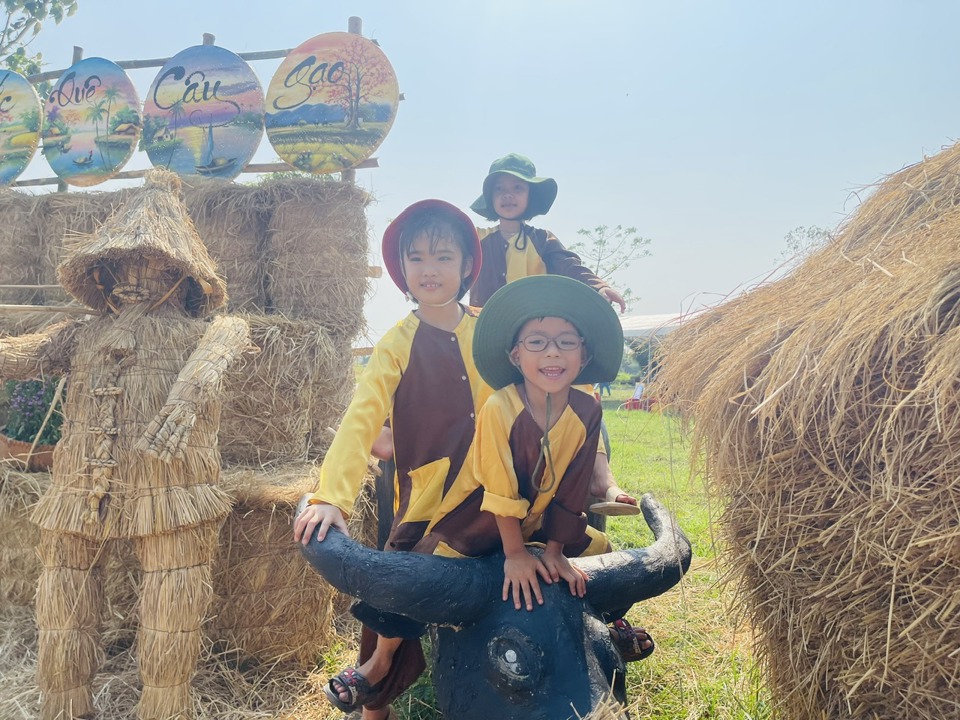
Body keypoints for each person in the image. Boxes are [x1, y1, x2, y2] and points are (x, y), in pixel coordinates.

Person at [293, 200, 489, 720]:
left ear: (467, 265)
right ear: (401, 269)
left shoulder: (492, 330)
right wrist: (332, 495)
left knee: (572, 547)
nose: (430, 269)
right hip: (430, 493)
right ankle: (377, 682)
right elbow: (362, 417)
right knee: (400, 567)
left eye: (443, 257)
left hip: (500, 486)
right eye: (417, 258)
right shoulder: (396, 343)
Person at [415, 275, 653, 660]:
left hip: (542, 522)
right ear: (516, 356)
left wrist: (556, 550)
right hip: (476, 522)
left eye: (566, 342)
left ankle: (603, 628)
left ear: (584, 355)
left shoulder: (588, 409)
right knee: (425, 582)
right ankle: (383, 663)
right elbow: (499, 487)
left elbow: (575, 487)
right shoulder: (500, 407)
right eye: (537, 342)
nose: (553, 354)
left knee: (602, 554)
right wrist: (515, 554)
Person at [470, 152, 636, 510]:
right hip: (486, 335)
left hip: (536, 336)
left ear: (531, 196)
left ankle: (599, 476)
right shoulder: (477, 239)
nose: (509, 195)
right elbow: (449, 259)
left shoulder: (542, 239)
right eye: (500, 188)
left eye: (517, 187)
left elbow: (568, 265)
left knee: (579, 388)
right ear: (490, 196)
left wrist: (597, 286)